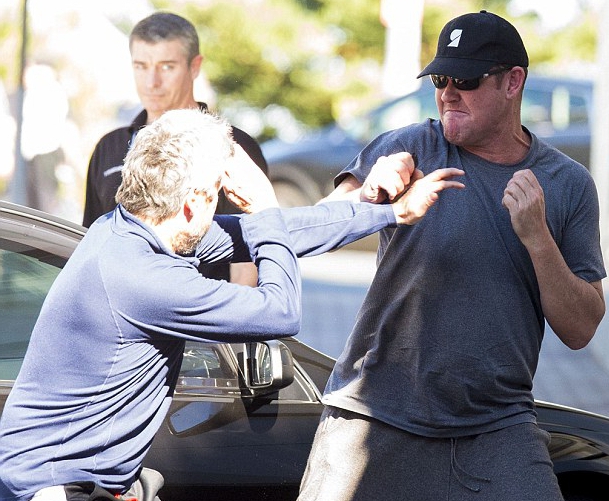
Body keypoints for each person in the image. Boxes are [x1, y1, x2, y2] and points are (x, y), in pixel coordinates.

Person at [0, 107, 465, 501]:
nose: (222, 204)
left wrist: (389, 213)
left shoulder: (129, 229)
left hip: (81, 479)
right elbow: (280, 311)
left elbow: (279, 234)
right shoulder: (144, 279)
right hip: (55, 488)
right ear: (191, 204)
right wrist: (262, 206)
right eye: (217, 193)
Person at [297, 10, 606, 501]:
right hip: (373, 415)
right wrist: (370, 200)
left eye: (466, 80)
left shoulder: (567, 183)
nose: (447, 94)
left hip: (497, 427)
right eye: (440, 79)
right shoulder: (409, 146)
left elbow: (581, 329)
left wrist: (538, 239)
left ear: (513, 82)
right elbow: (312, 229)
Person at [82, 11, 266, 284]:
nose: (152, 82)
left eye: (167, 67)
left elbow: (248, 258)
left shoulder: (232, 147)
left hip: (203, 308)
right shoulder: (109, 148)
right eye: (141, 66)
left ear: (195, 66)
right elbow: (89, 245)